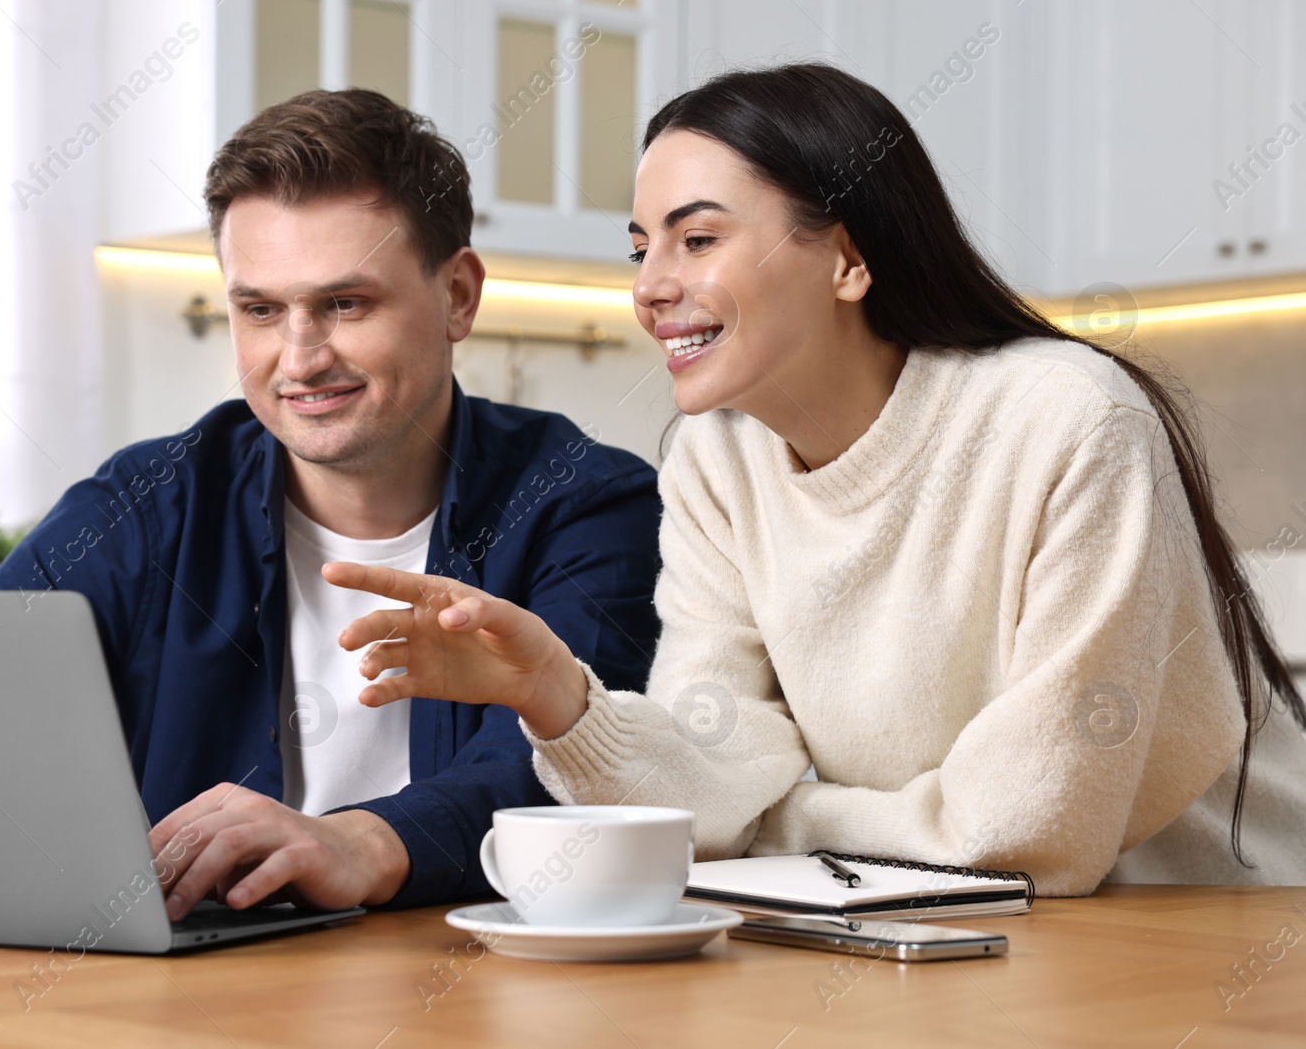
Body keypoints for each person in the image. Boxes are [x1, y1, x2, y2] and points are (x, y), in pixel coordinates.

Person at [329, 64, 1306, 895]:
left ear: (845, 260)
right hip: (922, 931)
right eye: (640, 247)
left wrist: (777, 825)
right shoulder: (718, 461)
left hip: (1208, 926)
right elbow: (710, 784)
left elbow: (1022, 839)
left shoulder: (1067, 422)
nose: (648, 286)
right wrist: (560, 697)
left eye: (696, 238)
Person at [0, 88, 662, 915]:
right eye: (261, 310)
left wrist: (363, 841)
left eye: (344, 303)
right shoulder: (140, 506)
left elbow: (574, 765)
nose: (299, 358)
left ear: (457, 296)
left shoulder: (591, 508)